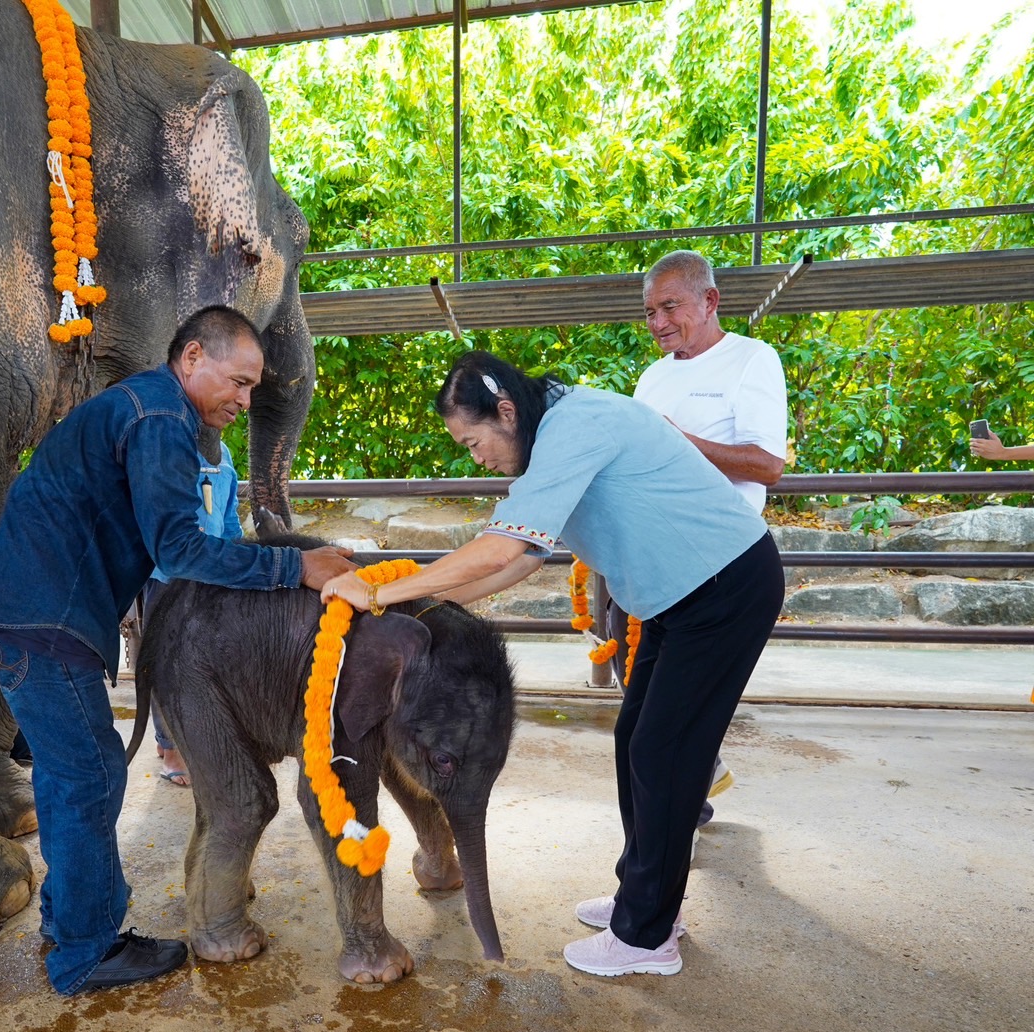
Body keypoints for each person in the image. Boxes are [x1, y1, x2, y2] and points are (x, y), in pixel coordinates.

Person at [320, 349, 784, 977]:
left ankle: (647, 937)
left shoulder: (576, 425)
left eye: (474, 439)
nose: (475, 456)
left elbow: (497, 551)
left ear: (505, 412)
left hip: (724, 590)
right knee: (637, 743)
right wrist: (414, 605)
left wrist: (375, 593)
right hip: (682, 597)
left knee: (666, 754)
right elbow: (521, 561)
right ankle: (643, 898)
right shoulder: (550, 438)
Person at [0, 305, 355, 995]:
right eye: (239, 381)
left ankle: (67, 921)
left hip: (26, 607)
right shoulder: (162, 420)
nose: (245, 399)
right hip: (38, 615)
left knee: (73, 772)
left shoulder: (150, 407)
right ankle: (87, 952)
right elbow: (179, 549)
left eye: (254, 389)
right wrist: (298, 568)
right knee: (89, 776)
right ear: (192, 358)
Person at [615, 248, 790, 820]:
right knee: (642, 735)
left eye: (670, 307)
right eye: (648, 313)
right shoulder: (652, 377)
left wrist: (677, 441)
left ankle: (654, 893)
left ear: (710, 300)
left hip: (722, 571)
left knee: (663, 740)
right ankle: (662, 854)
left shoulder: (751, 360)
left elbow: (768, 465)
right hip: (659, 574)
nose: (658, 323)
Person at [141, 439, 242, 787]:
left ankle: (180, 738)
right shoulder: (164, 447)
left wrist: (238, 558)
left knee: (201, 662)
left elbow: (228, 517)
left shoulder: (223, 454)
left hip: (210, 574)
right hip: (165, 575)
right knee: (163, 665)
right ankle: (171, 748)